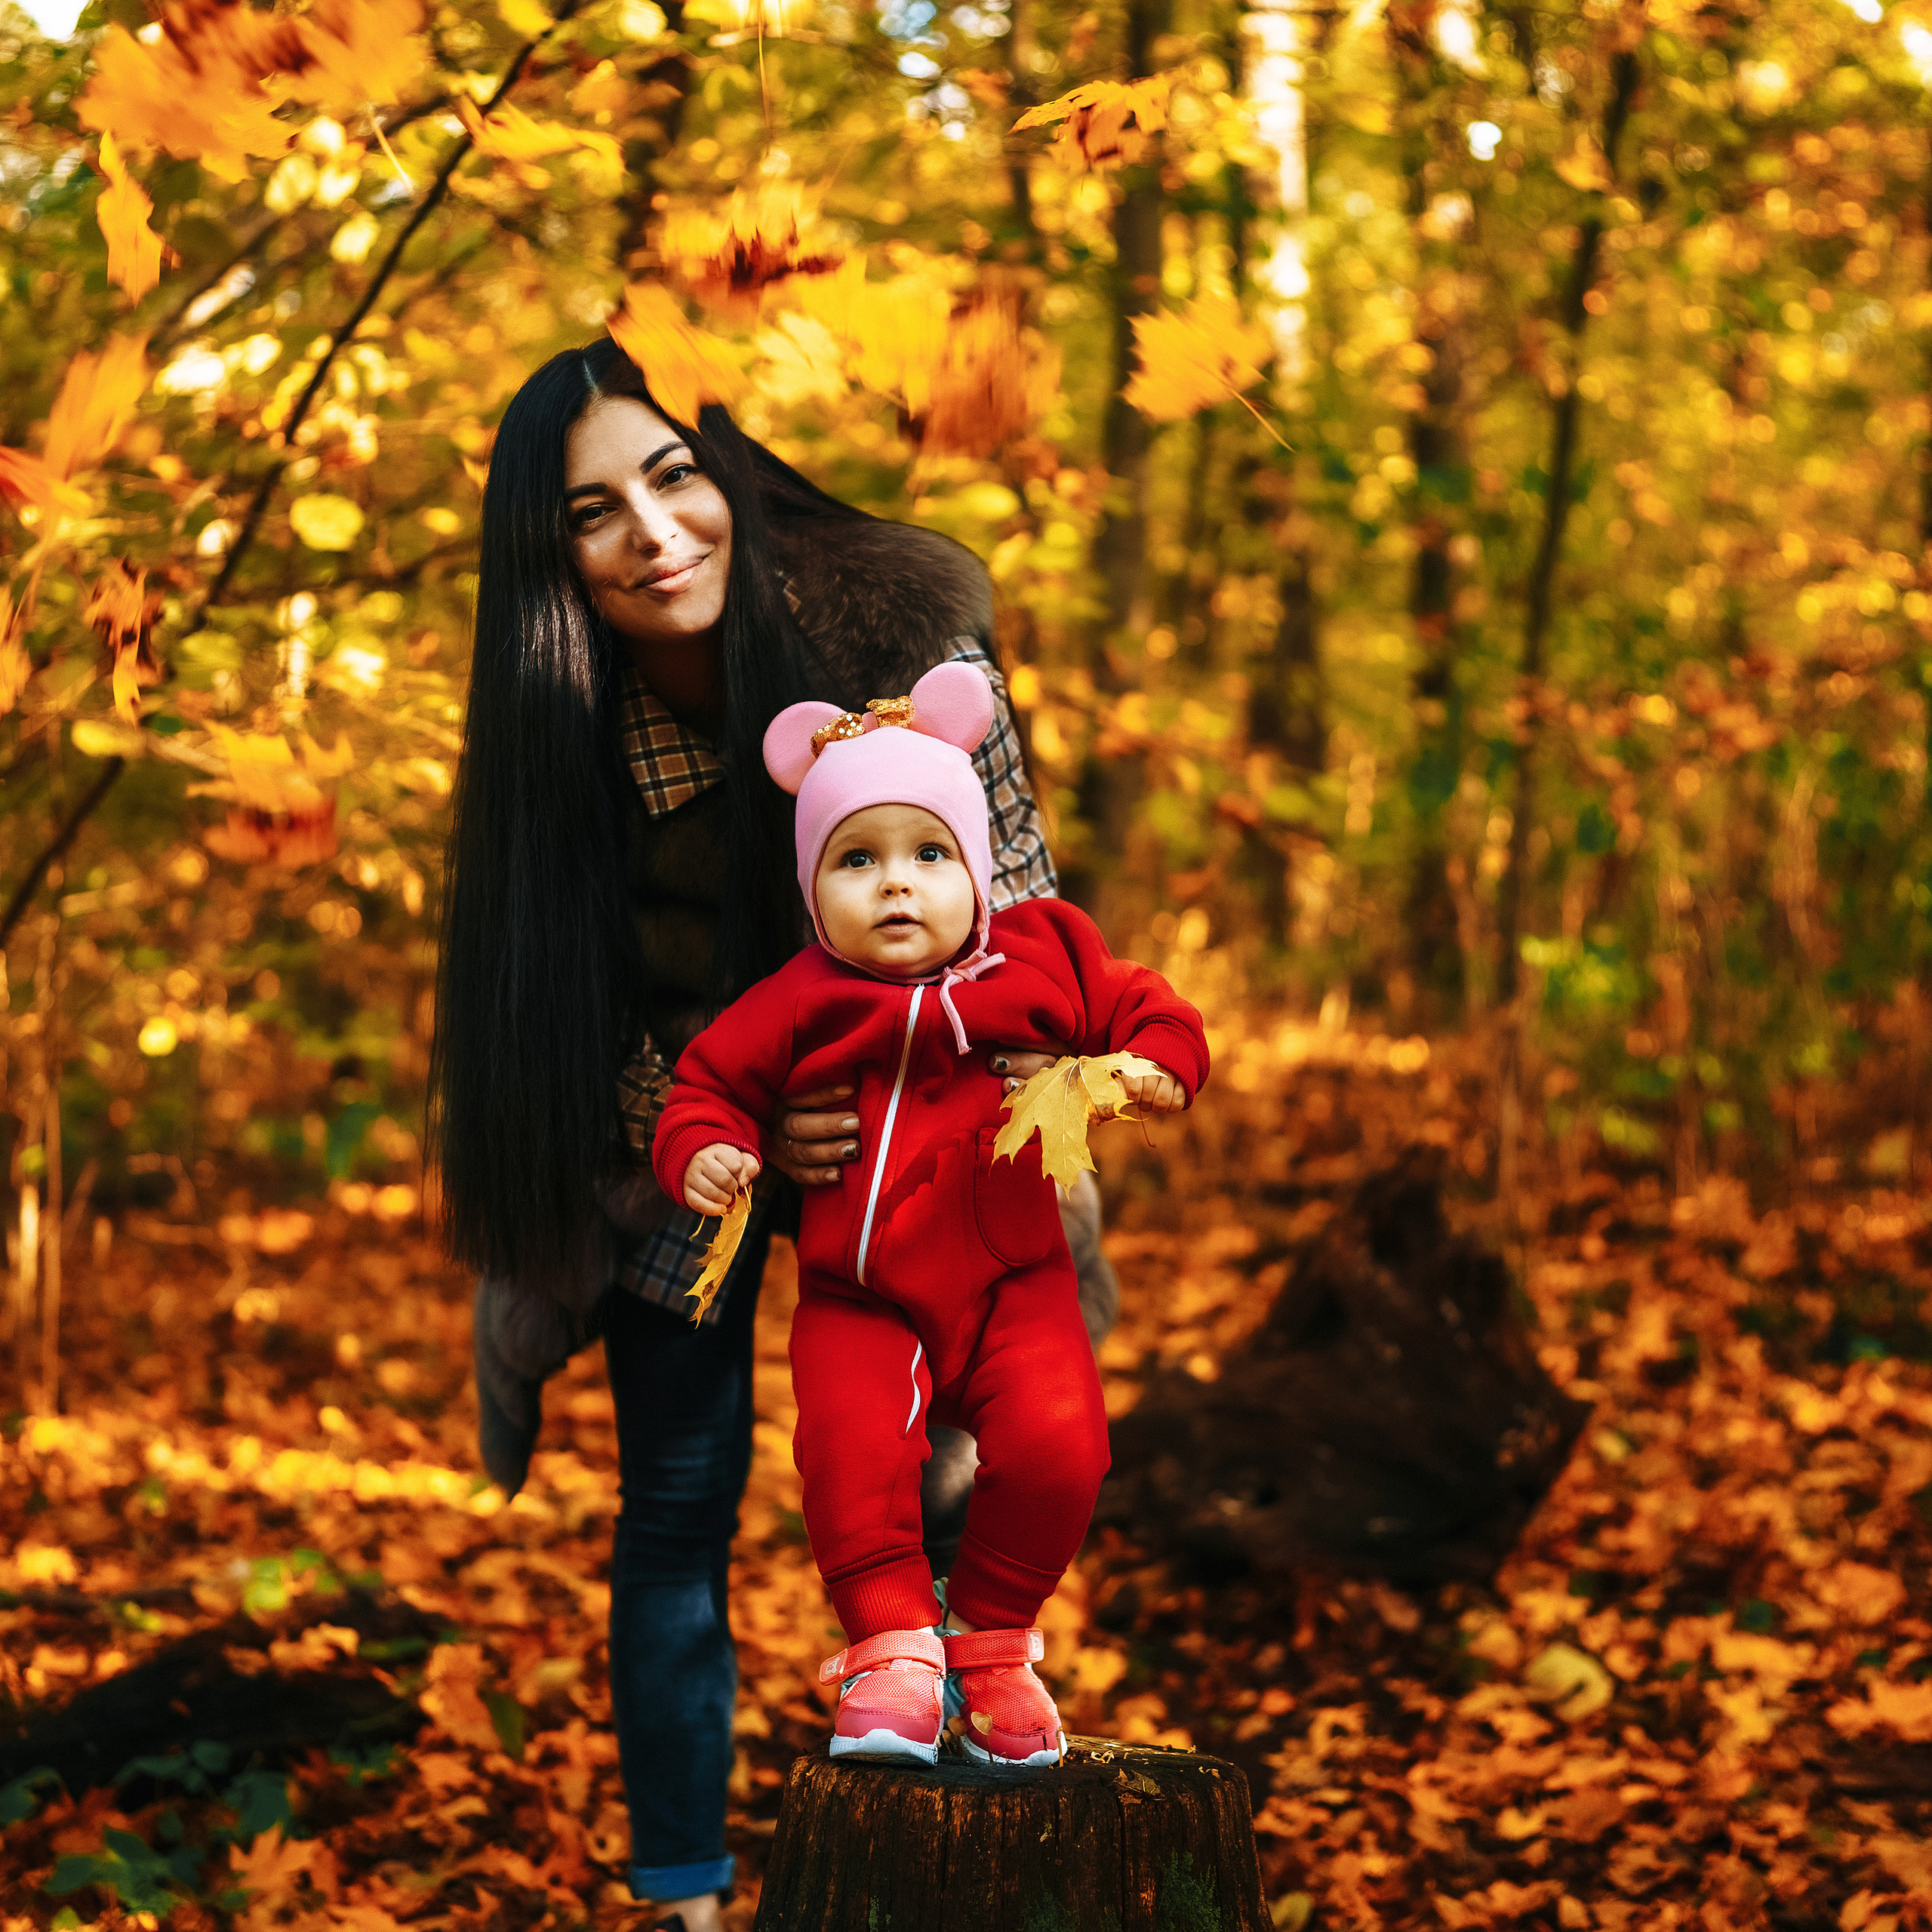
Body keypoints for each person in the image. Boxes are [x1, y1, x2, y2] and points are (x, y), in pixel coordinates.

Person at [432, 337, 1117, 1931]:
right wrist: (715, 1122)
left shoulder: (902, 641)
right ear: (549, 557)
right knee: (680, 1488)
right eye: (592, 511)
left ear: (726, 471)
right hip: (690, 1120)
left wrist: (894, 1096)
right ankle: (682, 1892)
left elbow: (1008, 910)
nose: (653, 531)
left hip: (927, 1104)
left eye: (674, 475)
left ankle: (961, 1852)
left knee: (958, 1462)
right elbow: (552, 1018)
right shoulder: (559, 721)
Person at [653, 663, 1209, 1768]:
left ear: (978, 868)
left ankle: (994, 1645)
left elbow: (1154, 1006)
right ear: (815, 892)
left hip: (1019, 1284)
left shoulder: (1041, 955)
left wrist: (1152, 1066)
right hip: (862, 1295)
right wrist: (711, 1151)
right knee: (852, 1458)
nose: (896, 884)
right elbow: (705, 1086)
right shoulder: (803, 996)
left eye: (928, 854)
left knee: (1063, 1450)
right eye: (857, 860)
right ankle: (895, 1650)